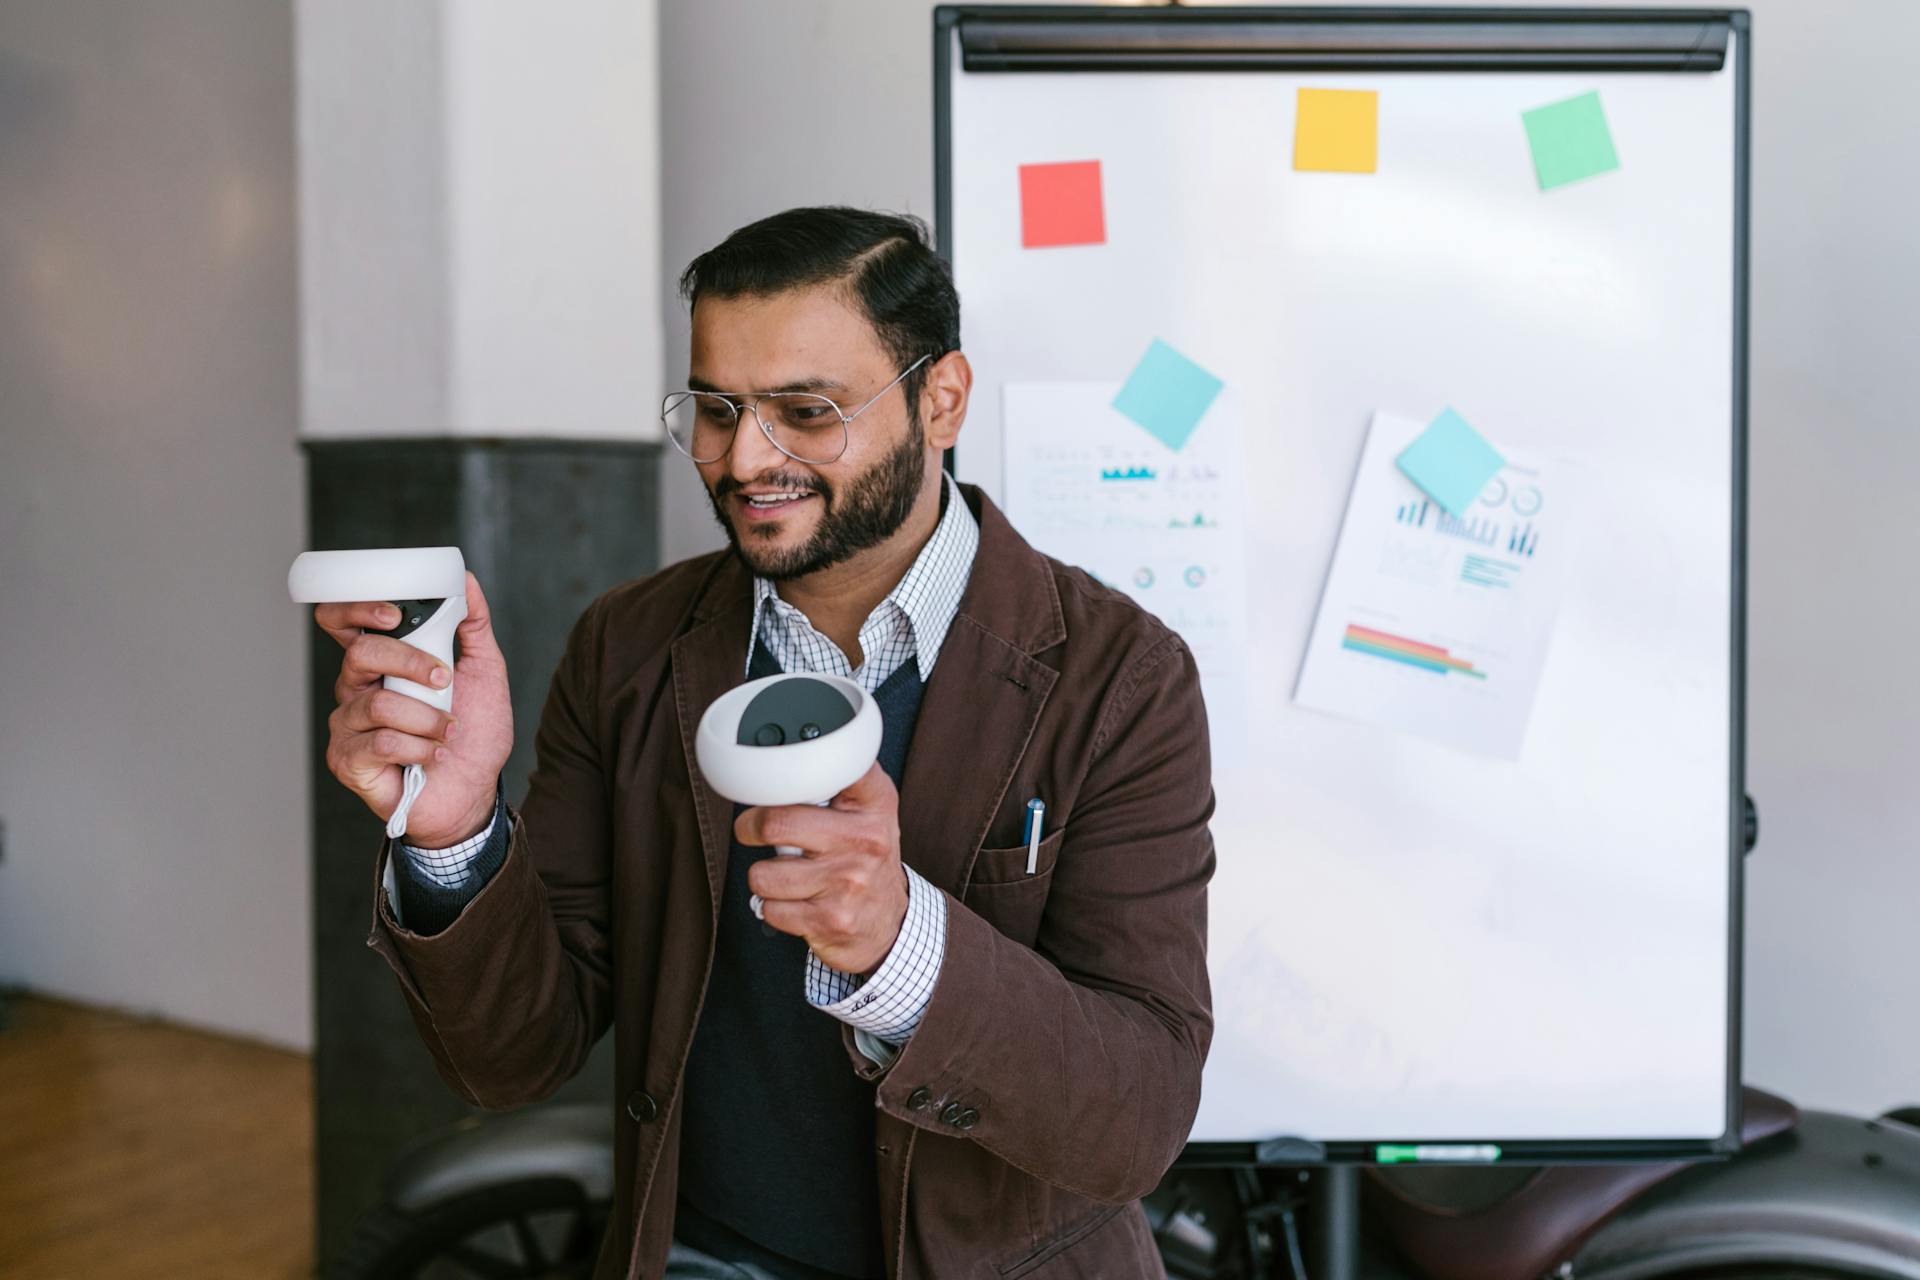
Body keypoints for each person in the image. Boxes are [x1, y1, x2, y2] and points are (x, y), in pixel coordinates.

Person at [312, 207, 1215, 1280]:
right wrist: (456, 828)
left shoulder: (1121, 677)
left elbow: (1138, 1116)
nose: (746, 457)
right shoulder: (630, 644)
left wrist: (902, 941)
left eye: (805, 409)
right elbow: (515, 1054)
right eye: (716, 407)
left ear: (943, 397)